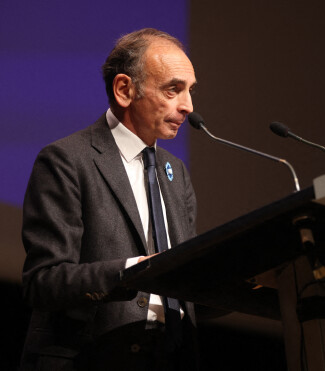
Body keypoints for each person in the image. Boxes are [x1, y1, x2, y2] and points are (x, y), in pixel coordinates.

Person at [20, 28, 198, 370]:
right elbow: (45, 281)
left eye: (190, 91)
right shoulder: (66, 160)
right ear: (124, 90)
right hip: (91, 357)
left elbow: (184, 284)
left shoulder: (177, 173)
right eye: (173, 89)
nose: (188, 106)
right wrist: (136, 272)